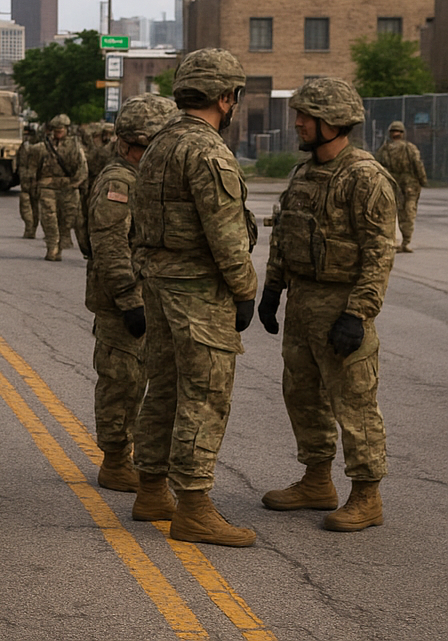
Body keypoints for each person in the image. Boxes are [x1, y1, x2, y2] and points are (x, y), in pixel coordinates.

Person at [129, 48, 260, 547]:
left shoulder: (161, 141)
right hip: (198, 290)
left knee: (162, 387)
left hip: (159, 282)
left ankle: (151, 491)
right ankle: (194, 507)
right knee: (204, 396)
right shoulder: (208, 151)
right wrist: (245, 290)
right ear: (227, 97)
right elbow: (226, 234)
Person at [258, 78, 395, 532]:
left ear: (332, 122)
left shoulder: (365, 176)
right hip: (302, 301)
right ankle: (317, 481)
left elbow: (379, 253)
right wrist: (273, 288)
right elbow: (286, 232)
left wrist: (358, 314)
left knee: (354, 401)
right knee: (302, 396)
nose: (298, 122)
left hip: (342, 304)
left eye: (307, 116)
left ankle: (367, 495)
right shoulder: (304, 172)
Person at [82, 94, 178, 492]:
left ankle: (134, 454)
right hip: (124, 304)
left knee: (141, 381)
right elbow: (109, 245)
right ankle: (116, 460)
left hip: (146, 298)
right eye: (147, 145)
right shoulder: (119, 181)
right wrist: (128, 299)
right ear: (128, 143)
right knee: (121, 381)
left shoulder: (145, 178)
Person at [37, 114, 88, 260]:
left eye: (61, 130)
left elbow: (82, 167)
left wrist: (76, 183)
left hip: (69, 186)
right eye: (56, 130)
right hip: (48, 186)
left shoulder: (74, 145)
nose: (58, 133)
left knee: (67, 219)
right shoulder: (45, 144)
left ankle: (61, 243)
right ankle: (52, 246)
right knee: (49, 217)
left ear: (67, 130)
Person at [374, 119, 426, 252]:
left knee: (392, 212)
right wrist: (422, 180)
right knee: (409, 212)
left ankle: (392, 240)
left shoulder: (384, 149)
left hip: (392, 184)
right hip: (410, 185)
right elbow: (418, 164)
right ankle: (406, 241)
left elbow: (377, 165)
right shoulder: (410, 148)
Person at [17, 124, 42, 239]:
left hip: (35, 180)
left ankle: (32, 228)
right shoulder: (23, 146)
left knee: (35, 206)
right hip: (25, 179)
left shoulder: (39, 147)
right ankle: (29, 227)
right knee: (25, 204)